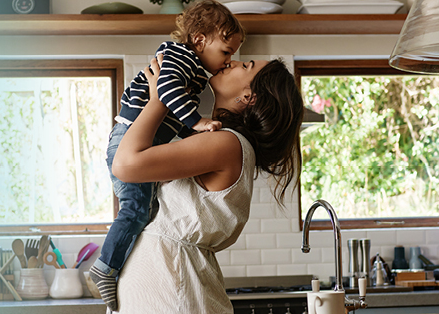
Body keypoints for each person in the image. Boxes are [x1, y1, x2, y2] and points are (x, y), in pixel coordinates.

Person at [108, 54, 304, 313]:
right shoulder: (217, 139)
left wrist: (159, 99)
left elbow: (123, 165)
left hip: (173, 288)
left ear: (249, 96)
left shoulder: (227, 143)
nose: (231, 62)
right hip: (166, 284)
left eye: (245, 66)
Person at [90, 0, 245, 310]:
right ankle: (105, 268)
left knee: (141, 209)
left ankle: (109, 266)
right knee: (136, 210)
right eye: (227, 52)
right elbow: (167, 92)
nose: (229, 61)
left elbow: (171, 116)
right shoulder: (181, 57)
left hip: (138, 137)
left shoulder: (194, 68)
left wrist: (194, 131)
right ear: (200, 40)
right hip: (126, 137)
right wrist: (198, 122)